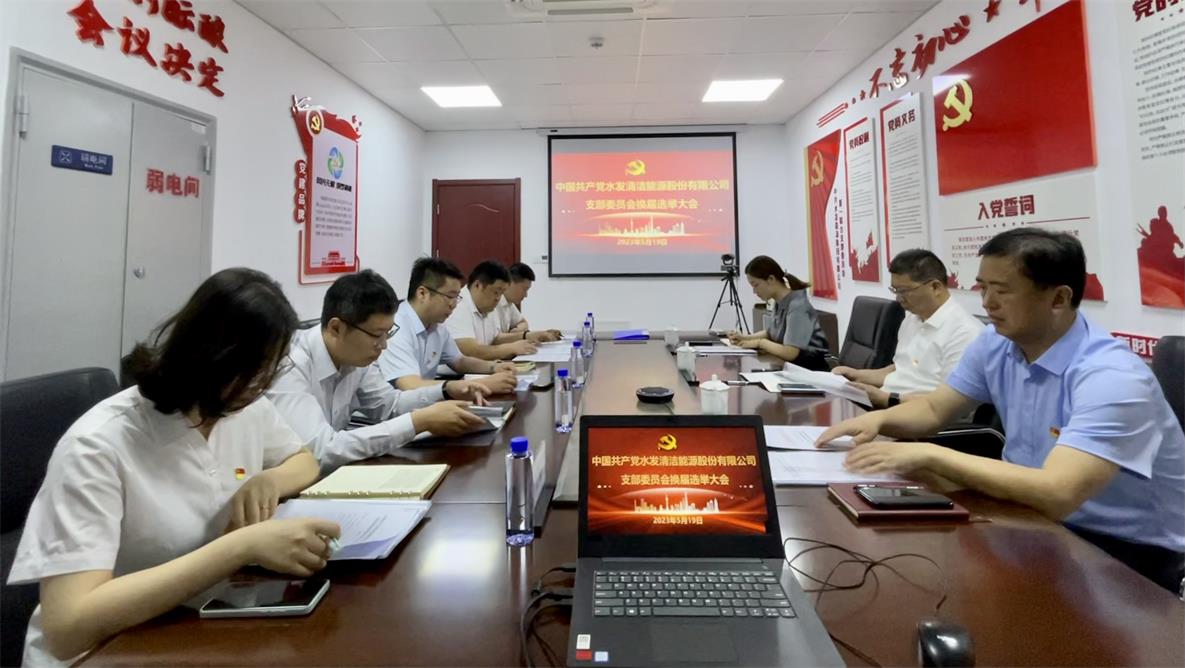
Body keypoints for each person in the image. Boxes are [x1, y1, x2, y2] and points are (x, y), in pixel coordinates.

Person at [817, 229, 1185, 592]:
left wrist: (929, 455)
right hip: (1030, 516)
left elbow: (1059, 491)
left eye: (1002, 290)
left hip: (1128, 555)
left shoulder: (1112, 378)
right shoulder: (996, 342)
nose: (988, 303)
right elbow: (933, 409)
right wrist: (874, 419)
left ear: (1058, 298)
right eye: (983, 288)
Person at [7, 268, 339, 666]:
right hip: (103, 652)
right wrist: (241, 547)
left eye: (270, 369)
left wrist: (269, 480)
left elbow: (303, 461)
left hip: (195, 627)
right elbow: (67, 628)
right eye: (250, 369)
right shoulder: (97, 446)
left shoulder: (243, 406)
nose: (261, 385)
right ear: (207, 353)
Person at [267, 270, 488, 471]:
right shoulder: (290, 364)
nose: (383, 345)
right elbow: (321, 451)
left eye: (387, 333)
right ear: (336, 328)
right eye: (376, 335)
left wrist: (445, 390)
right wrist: (418, 421)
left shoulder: (354, 356)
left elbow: (389, 405)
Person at [832, 249, 983, 408]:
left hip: (918, 416)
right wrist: (857, 376)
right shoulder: (912, 319)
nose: (898, 299)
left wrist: (885, 398)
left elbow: (949, 404)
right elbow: (900, 369)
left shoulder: (964, 333)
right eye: (895, 290)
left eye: (904, 291)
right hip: (889, 406)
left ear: (935, 287)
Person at [378, 257, 518, 394]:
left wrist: (494, 367)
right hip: (396, 406)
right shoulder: (396, 327)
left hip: (424, 401)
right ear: (422, 294)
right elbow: (410, 385)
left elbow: (459, 361)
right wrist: (480, 384)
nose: (454, 304)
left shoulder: (436, 325)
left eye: (457, 297)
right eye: (450, 296)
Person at [727, 255, 831, 371]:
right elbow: (770, 333)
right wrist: (744, 338)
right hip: (790, 368)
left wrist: (760, 343)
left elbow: (790, 352)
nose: (754, 291)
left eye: (756, 285)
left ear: (771, 279)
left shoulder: (798, 306)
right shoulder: (780, 302)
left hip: (811, 372)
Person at [444, 260, 556, 361]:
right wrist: (510, 348)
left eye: (501, 293)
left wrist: (527, 336)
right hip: (455, 374)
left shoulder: (487, 307)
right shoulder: (459, 306)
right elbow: (470, 351)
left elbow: (495, 338)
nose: (498, 298)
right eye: (496, 292)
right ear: (478, 285)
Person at [498, 262, 561, 340]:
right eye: (524, 289)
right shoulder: (493, 304)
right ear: (510, 283)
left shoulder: (509, 304)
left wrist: (518, 331)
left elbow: (523, 322)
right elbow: (495, 339)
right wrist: (525, 335)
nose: (526, 295)